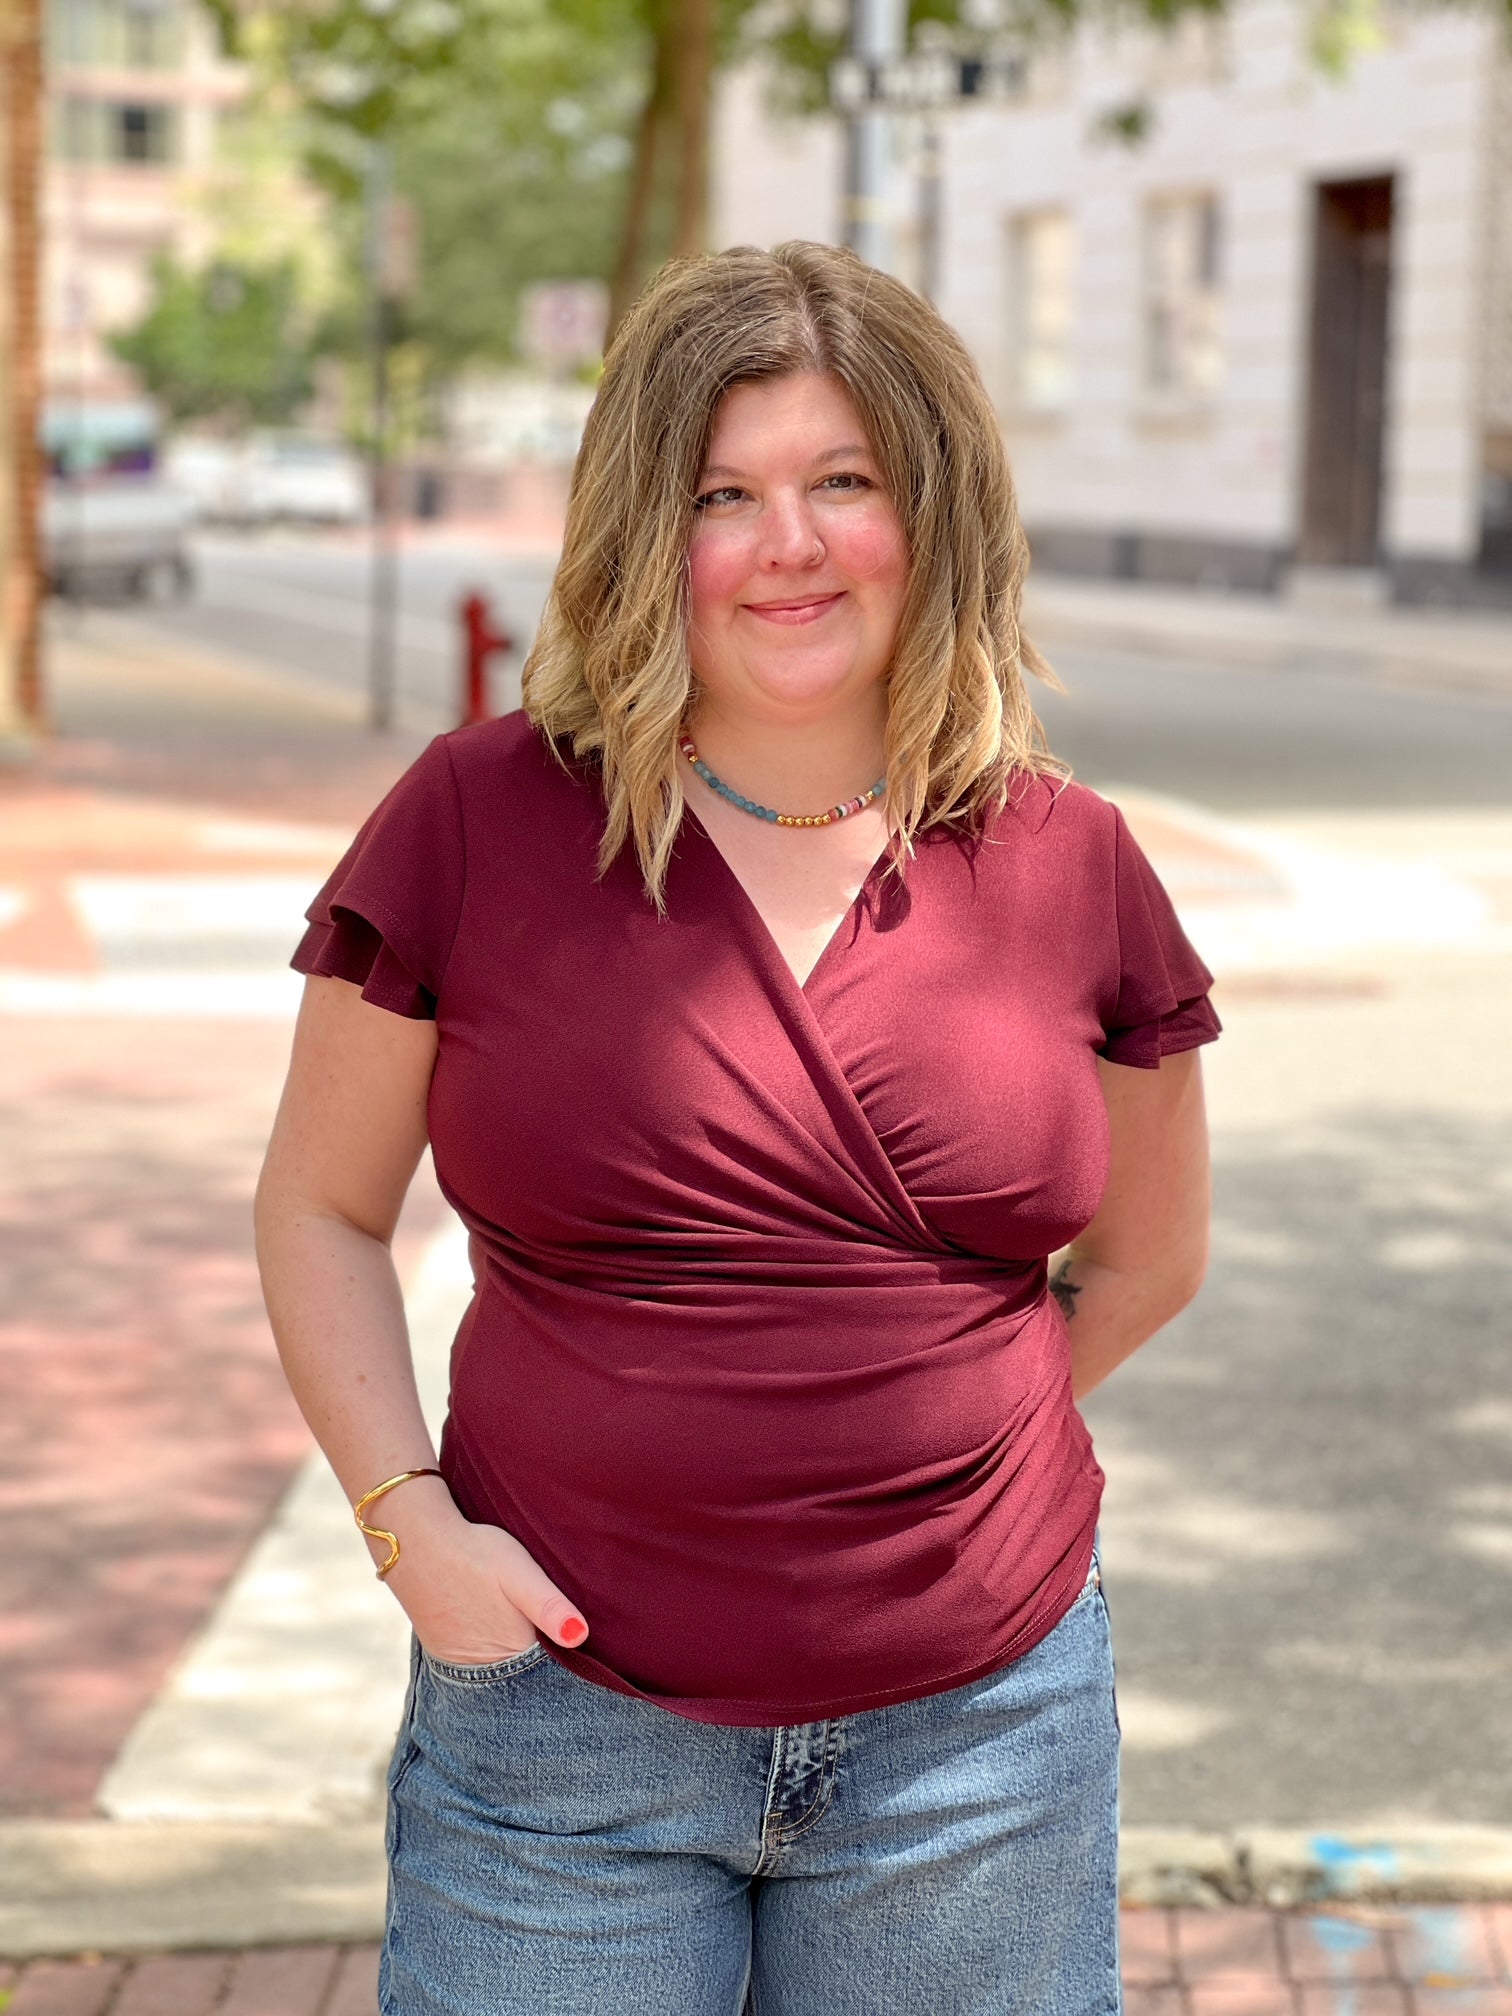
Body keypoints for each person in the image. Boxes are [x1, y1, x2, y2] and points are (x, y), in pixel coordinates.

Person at [255, 240, 1219, 2016]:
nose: (791, 543)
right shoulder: (480, 817)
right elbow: (319, 1208)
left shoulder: (1070, 858)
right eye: (726, 493)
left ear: (931, 513)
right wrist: (411, 1529)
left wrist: (919, 1460)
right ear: (649, 529)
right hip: (560, 1736)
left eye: (844, 481)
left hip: (980, 1743)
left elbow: (1151, 1256)